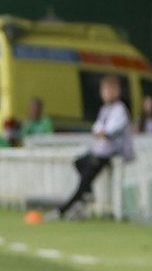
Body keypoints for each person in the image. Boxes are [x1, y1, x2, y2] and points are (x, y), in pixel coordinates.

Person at [53, 76, 133, 218]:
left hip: (113, 152)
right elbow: (96, 129)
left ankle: (63, 209)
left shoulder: (119, 110)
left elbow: (109, 132)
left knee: (86, 178)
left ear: (116, 91)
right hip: (101, 150)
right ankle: (87, 194)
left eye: (108, 90)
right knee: (79, 162)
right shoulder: (105, 109)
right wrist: (101, 132)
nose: (105, 93)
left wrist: (102, 133)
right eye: (104, 90)